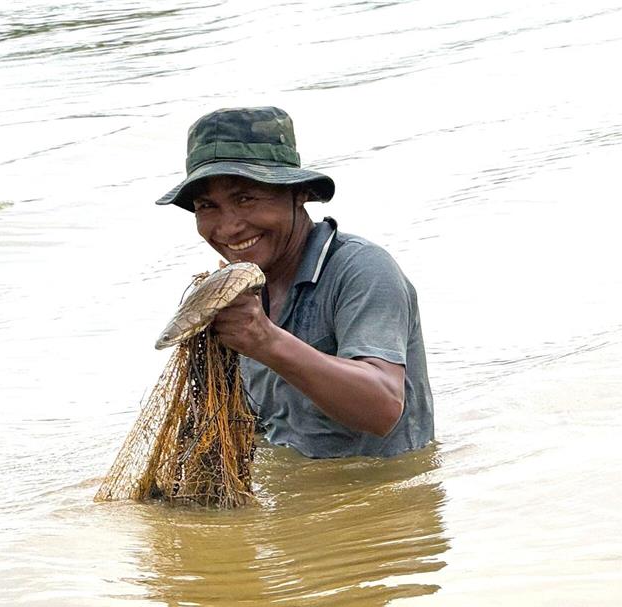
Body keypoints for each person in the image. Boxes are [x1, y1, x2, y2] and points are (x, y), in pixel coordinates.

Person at [155, 106, 433, 458]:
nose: (228, 228)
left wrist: (266, 341)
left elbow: (383, 407)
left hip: (385, 498)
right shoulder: (240, 299)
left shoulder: (361, 269)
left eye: (245, 199)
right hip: (293, 491)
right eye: (207, 207)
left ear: (298, 194)